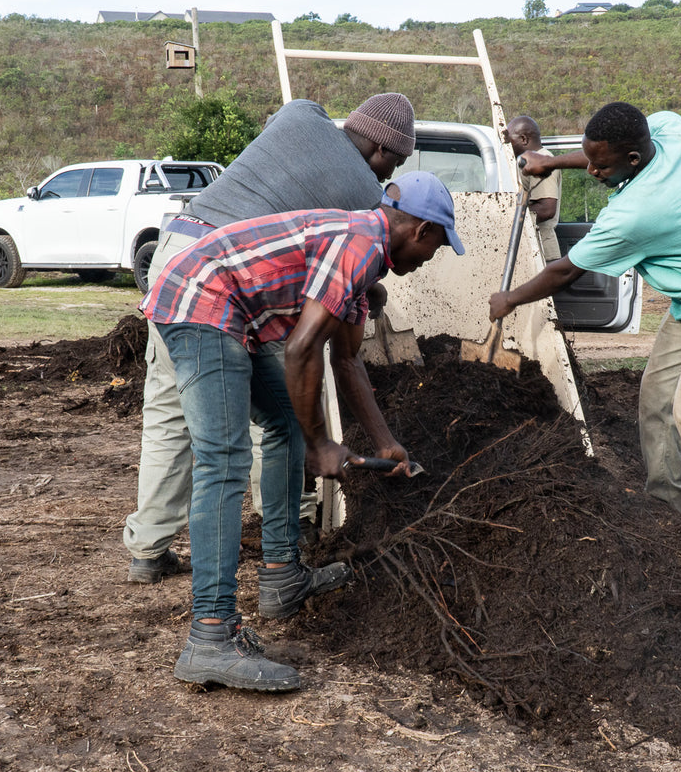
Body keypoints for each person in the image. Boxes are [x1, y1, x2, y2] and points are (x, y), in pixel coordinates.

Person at [142, 170, 464, 691]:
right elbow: (301, 349)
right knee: (224, 461)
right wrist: (321, 445)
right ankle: (211, 636)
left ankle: (282, 577)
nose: (430, 258)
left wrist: (385, 442)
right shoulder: (360, 243)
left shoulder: (363, 261)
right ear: (422, 231)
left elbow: (349, 360)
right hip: (201, 301)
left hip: (229, 310)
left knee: (285, 422)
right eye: (438, 246)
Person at [123, 93, 416, 583]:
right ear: (384, 153)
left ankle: (148, 549)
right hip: (235, 278)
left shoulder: (303, 113)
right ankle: (291, 528)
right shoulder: (366, 193)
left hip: (177, 250)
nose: (386, 179)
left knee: (169, 405)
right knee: (279, 407)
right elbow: (339, 300)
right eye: (395, 165)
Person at [491, 102, 681, 524]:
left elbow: (565, 271)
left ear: (632, 159)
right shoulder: (671, 129)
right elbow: (601, 154)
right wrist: (552, 161)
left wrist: (510, 299)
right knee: (656, 398)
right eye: (588, 159)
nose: (592, 171)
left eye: (601, 166)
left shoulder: (636, 213)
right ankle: (668, 507)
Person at [505, 115, 563, 264]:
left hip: (541, 249)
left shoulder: (542, 160)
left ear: (524, 139)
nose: (507, 145)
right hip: (532, 245)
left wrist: (507, 218)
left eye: (510, 140)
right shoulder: (530, 162)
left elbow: (546, 209)